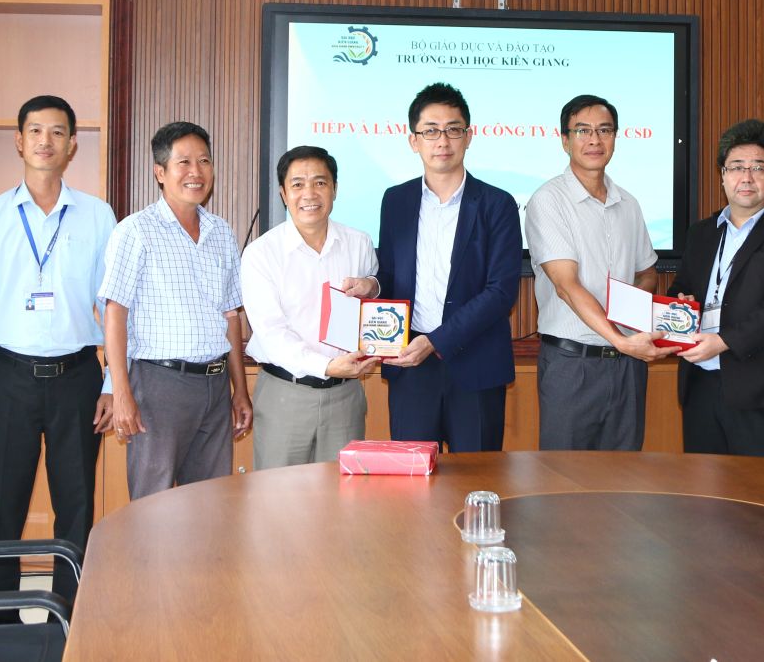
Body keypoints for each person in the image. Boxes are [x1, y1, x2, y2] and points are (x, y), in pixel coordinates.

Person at [0, 95, 117, 621]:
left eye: (58, 132)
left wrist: (112, 385)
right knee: (2, 506)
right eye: (36, 131)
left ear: (73, 146)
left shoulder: (98, 215)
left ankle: (68, 619)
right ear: (19, 141)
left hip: (78, 377)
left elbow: (115, 308)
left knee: (77, 508)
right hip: (8, 377)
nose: (46, 141)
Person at [100, 121, 252, 499]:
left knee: (210, 504)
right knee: (153, 506)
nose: (196, 172)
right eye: (184, 162)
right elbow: (115, 313)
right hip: (159, 386)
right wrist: (121, 392)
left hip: (215, 384)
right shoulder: (135, 231)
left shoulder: (221, 232)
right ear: (160, 172)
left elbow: (231, 316)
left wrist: (240, 390)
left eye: (204, 161)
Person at [377, 83, 521, 452]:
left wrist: (436, 341)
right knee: (412, 479)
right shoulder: (395, 201)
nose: (442, 140)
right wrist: (371, 286)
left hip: (476, 366)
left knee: (477, 479)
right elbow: (390, 274)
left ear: (468, 137)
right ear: (414, 141)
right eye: (431, 131)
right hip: (410, 365)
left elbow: (501, 291)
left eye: (453, 129)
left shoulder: (497, 204)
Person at [668, 118, 764, 458]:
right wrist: (680, 302)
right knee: (702, 491)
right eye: (736, 167)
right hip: (701, 387)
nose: (746, 177)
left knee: (763, 493)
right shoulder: (701, 233)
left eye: (758, 168)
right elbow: (683, 285)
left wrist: (723, 342)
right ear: (723, 175)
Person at [525, 94, 668, 450]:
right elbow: (566, 285)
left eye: (604, 130)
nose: (594, 140)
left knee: (624, 476)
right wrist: (620, 338)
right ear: (565, 140)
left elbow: (648, 272)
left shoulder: (629, 203)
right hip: (572, 365)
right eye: (583, 131)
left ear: (615, 138)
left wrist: (630, 310)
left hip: (627, 366)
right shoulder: (548, 200)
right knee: (563, 477)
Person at [240, 145, 381, 468]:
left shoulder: (359, 243)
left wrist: (373, 286)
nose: (310, 193)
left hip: (345, 396)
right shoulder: (261, 254)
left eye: (320, 182)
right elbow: (272, 333)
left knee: (342, 494)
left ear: (335, 189)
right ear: (283, 193)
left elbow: (373, 301)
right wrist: (327, 366)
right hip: (285, 394)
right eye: (298, 184)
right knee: (279, 494)